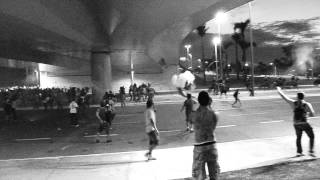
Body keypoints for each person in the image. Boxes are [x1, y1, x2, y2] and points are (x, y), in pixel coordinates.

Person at [277, 87, 316, 157]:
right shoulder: (307, 104)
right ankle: (311, 151)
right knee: (311, 136)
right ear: (304, 97)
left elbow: (284, 97)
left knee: (298, 137)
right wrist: (307, 114)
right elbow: (312, 114)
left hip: (296, 124)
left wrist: (279, 90)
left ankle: (299, 152)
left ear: (297, 97)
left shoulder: (293, 103)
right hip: (304, 123)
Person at [192, 91, 220, 180]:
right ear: (209, 101)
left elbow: (191, 120)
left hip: (199, 147)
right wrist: (209, 105)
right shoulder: (215, 114)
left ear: (199, 101)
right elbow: (213, 127)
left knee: (199, 176)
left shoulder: (193, 115)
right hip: (212, 145)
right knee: (214, 175)